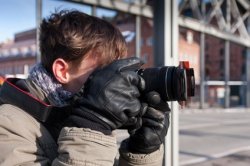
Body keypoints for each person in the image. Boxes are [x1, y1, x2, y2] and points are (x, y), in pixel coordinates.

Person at [0, 10, 170, 166]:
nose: (114, 80)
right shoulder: (7, 124)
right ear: (62, 70)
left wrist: (140, 151)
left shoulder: (73, 109)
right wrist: (93, 124)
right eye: (105, 71)